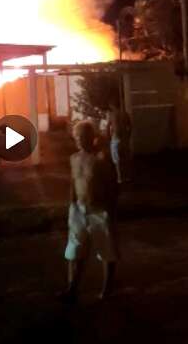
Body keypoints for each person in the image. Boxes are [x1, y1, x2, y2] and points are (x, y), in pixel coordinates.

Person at [59, 120, 120, 304]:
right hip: (78, 209)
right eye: (76, 136)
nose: (78, 140)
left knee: (107, 251)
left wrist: (110, 210)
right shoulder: (74, 158)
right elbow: (73, 183)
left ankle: (107, 291)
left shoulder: (101, 160)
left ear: (91, 138)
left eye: (82, 136)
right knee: (74, 251)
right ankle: (72, 289)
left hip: (99, 211)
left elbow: (112, 187)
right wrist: (72, 206)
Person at [107, 99, 132, 184]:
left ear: (112, 105)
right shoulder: (125, 114)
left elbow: (108, 127)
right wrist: (128, 135)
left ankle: (120, 177)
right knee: (126, 158)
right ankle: (127, 176)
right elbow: (130, 126)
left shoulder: (112, 115)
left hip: (115, 138)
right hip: (125, 138)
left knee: (116, 159)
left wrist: (109, 138)